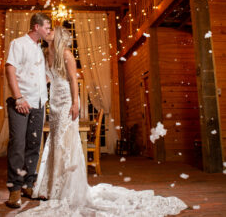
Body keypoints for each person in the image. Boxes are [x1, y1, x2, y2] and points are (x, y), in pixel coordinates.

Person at [17, 26, 187, 216]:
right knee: (55, 143)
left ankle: (66, 188)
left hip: (66, 100)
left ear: (60, 36)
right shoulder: (46, 53)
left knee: (65, 143)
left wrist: (75, 103)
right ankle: (52, 187)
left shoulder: (66, 54)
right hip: (54, 102)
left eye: (52, 31)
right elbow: (47, 79)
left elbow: (73, 79)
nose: (48, 32)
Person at [5, 12, 51, 208]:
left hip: (40, 103)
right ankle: (15, 190)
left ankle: (28, 184)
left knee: (34, 145)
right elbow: (10, 68)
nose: (49, 31)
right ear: (36, 27)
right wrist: (19, 97)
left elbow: (42, 75)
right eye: (47, 27)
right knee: (18, 145)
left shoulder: (41, 49)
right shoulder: (18, 43)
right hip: (21, 103)